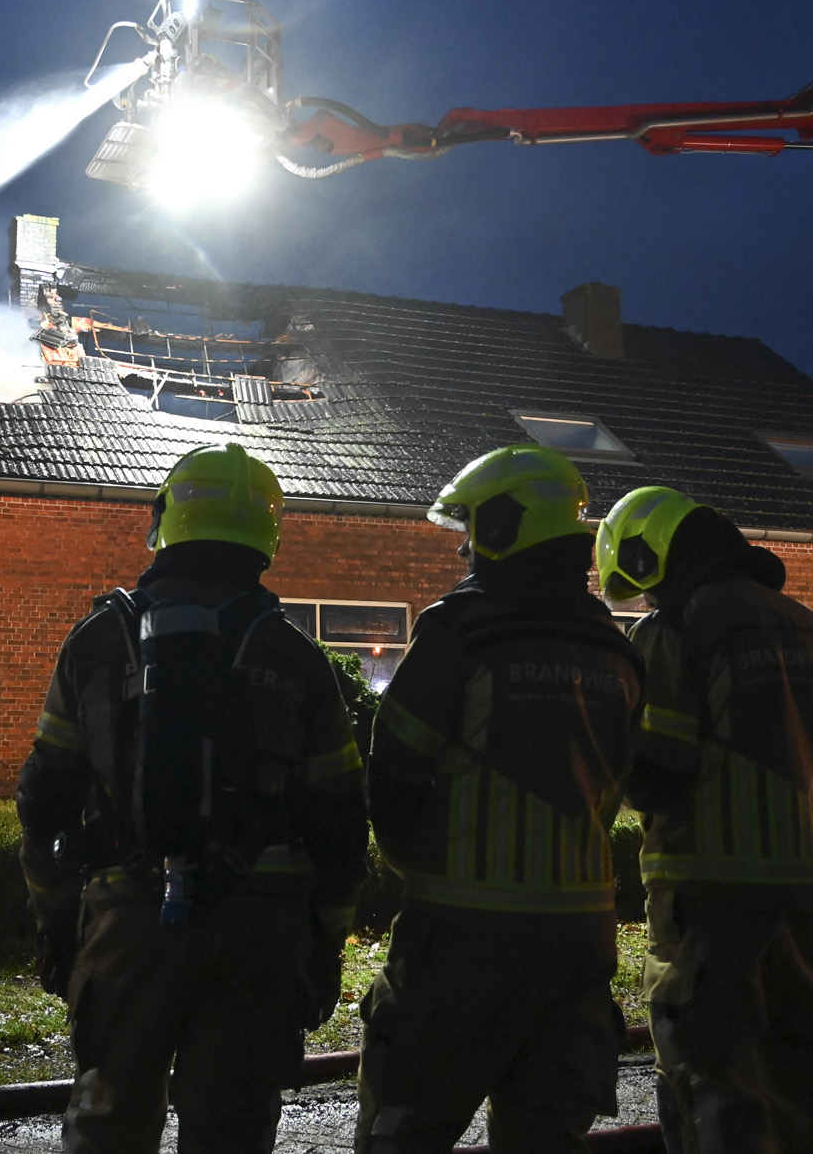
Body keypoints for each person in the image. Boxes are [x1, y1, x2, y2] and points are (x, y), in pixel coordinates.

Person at [16, 442, 368, 1154]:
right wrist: (324, 942)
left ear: (165, 519)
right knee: (232, 1129)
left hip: (126, 923)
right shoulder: (296, 655)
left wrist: (57, 925)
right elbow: (341, 822)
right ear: (267, 531)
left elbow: (43, 802)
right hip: (258, 932)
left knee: (109, 1120)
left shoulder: (94, 644)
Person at [356, 445, 644, 1154]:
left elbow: (392, 771)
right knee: (546, 1133)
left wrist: (421, 867)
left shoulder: (462, 629)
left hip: (462, 941)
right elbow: (618, 783)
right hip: (581, 939)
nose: (463, 546)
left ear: (510, 525)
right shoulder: (616, 645)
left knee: (405, 1128)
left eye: (474, 527)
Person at [596, 486, 813, 1154]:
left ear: (651, 554)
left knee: (709, 1076)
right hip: (805, 894)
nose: (645, 602)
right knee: (806, 1078)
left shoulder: (673, 630)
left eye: (643, 586)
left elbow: (659, 772)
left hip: (708, 896)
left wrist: (603, 750)